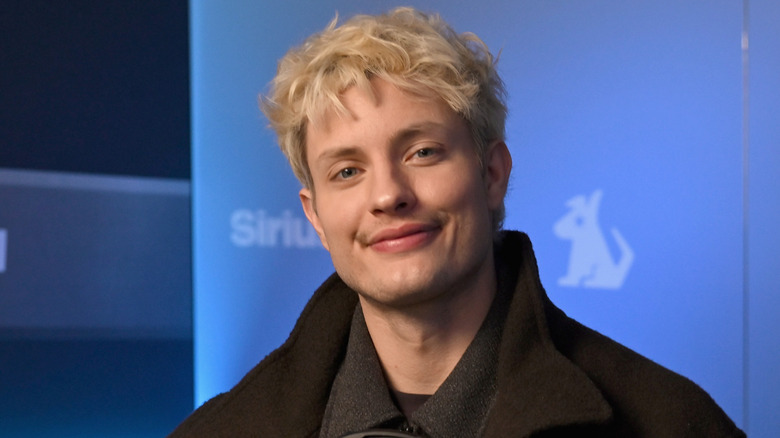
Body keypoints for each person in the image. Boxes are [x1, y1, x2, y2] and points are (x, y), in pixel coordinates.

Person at [170, 7, 744, 437]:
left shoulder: (668, 422)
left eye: (422, 152)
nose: (388, 195)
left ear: (492, 174)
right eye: (347, 171)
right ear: (315, 216)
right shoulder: (221, 431)